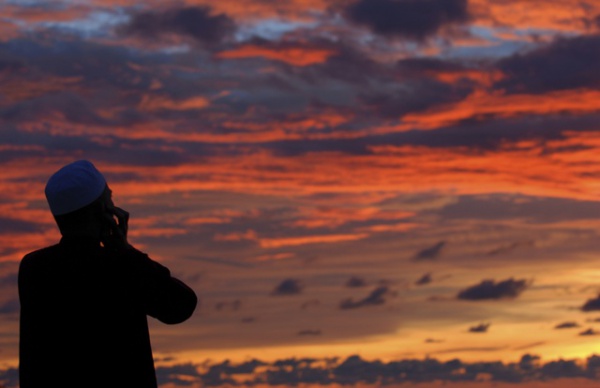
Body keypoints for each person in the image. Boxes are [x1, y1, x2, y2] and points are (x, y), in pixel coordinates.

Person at [18, 160, 198, 387]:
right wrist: (125, 250)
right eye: (110, 198)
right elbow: (180, 305)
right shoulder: (118, 267)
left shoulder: (34, 268)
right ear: (105, 211)